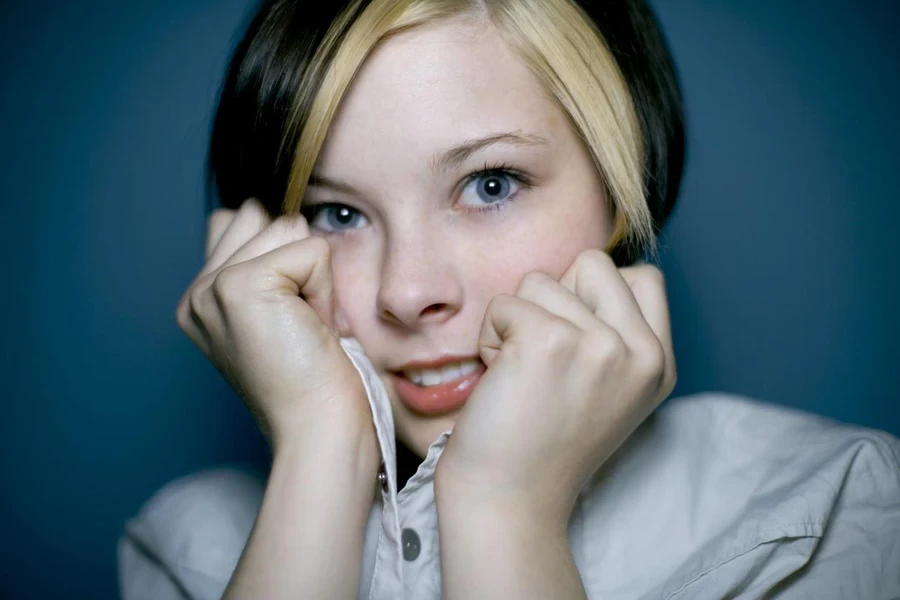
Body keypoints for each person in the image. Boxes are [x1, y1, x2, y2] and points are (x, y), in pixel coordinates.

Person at [118, 1, 900, 598]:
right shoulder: (188, 549)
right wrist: (323, 450)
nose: (409, 292)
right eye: (339, 214)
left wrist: (504, 507)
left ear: (619, 191)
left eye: (490, 185)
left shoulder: (832, 512)